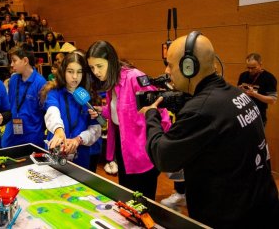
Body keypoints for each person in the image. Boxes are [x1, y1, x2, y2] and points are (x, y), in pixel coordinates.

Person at [140, 32, 279, 228]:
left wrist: (151, 115)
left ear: (189, 67)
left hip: (233, 218)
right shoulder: (235, 93)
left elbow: (163, 157)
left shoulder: (202, 109)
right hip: (262, 208)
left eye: (170, 64)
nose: (167, 71)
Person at [86, 40, 171, 200]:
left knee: (143, 201)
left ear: (110, 60)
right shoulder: (111, 82)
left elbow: (159, 107)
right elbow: (120, 111)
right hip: (124, 148)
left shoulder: (135, 77)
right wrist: (101, 111)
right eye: (92, 67)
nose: (96, 72)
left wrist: (163, 145)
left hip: (143, 150)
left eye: (99, 66)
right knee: (127, 198)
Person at [41, 52, 102, 169]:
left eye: (79, 72)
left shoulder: (89, 96)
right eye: (70, 71)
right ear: (63, 71)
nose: (75, 77)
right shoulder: (54, 92)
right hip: (55, 153)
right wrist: (59, 131)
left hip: (81, 156)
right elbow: (52, 112)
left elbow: (95, 129)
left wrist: (78, 139)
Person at [1, 44, 47, 148]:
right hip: (11, 135)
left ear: (25, 61)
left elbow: (45, 113)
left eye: (14, 60)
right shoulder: (13, 80)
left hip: (32, 137)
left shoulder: (41, 83)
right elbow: (11, 105)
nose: (11, 64)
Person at [237, 53, 277, 126]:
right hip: (243, 116)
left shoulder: (269, 78)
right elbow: (238, 94)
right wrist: (238, 91)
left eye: (253, 68)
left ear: (260, 65)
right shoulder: (243, 75)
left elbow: (272, 100)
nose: (250, 70)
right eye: (248, 67)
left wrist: (255, 95)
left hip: (259, 116)